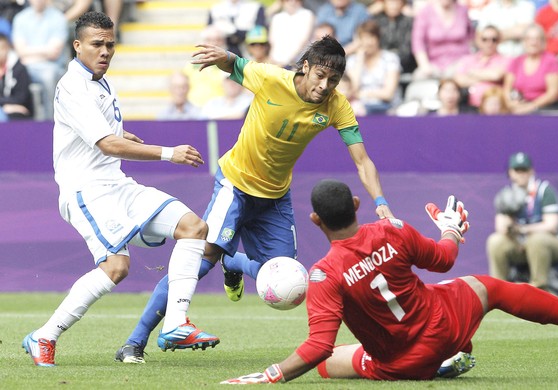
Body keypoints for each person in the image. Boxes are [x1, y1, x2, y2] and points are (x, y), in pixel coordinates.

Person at [114, 35, 395, 364]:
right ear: (305, 68)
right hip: (236, 186)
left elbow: (362, 160)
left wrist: (380, 202)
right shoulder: (272, 79)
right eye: (320, 76)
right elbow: (234, 64)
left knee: (289, 278)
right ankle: (134, 342)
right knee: (199, 261)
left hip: (275, 198)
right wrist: (222, 56)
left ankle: (233, 261)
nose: (325, 85)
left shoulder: (336, 106)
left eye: (333, 80)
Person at [219, 179, 558, 384]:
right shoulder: (392, 230)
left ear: (315, 221)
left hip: (399, 363)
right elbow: (444, 260)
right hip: (445, 324)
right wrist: (450, 230)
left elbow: (319, 346)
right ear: (356, 205)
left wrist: (272, 373)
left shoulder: (323, 274)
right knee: (491, 288)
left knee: (334, 360)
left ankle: (433, 364)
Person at [22, 12, 217, 367]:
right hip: (86, 190)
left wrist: (118, 132)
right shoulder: (73, 85)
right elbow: (107, 145)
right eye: (97, 44)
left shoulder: (101, 81)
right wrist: (167, 153)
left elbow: (102, 133)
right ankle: (45, 335)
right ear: (77, 45)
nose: (106, 51)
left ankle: (175, 324)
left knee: (194, 228)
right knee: (117, 267)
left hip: (116, 184)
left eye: (110, 44)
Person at [487, 152, 558, 293]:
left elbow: (552, 225)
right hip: (519, 242)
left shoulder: (544, 190)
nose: (521, 174)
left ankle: (539, 289)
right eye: (517, 170)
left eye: (524, 170)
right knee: (495, 241)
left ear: (531, 171)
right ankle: (498, 290)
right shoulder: (506, 194)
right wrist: (509, 217)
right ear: (510, 173)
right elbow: (500, 228)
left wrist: (522, 230)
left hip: (550, 242)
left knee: (536, 240)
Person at [12, 0, 68, 120]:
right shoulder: (20, 18)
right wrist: (44, 51)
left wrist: (28, 54)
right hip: (26, 66)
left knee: (48, 75)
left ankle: (52, 120)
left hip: (51, 66)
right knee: (14, 73)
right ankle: (22, 118)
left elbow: (54, 53)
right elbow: (20, 51)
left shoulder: (58, 18)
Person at [503, 23, 558, 114]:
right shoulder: (516, 61)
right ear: (524, 41)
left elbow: (553, 93)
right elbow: (507, 89)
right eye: (529, 39)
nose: (533, 43)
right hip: (519, 104)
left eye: (537, 39)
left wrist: (531, 106)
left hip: (544, 108)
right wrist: (511, 103)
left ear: (543, 42)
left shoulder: (551, 61)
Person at [345, 20, 402, 115]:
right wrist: (360, 60)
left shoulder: (390, 58)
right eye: (363, 38)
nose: (368, 42)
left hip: (387, 107)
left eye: (371, 37)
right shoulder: (353, 61)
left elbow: (388, 94)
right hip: (360, 109)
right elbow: (352, 91)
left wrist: (363, 94)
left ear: (378, 38)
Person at [453, 25, 510, 108]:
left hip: (494, 109)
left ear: (499, 41)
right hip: (469, 107)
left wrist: (471, 73)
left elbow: (496, 75)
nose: (489, 43)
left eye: (494, 39)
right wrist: (487, 80)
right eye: (485, 39)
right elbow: (459, 80)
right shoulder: (468, 59)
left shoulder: (506, 59)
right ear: (478, 40)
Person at [371, 0, 416, 74]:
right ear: (384, 3)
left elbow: (406, 50)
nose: (394, 6)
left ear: (402, 4)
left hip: (404, 66)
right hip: (378, 64)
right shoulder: (375, 21)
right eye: (391, 2)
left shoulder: (409, 21)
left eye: (397, 2)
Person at [268, 0, 315, 68]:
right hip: (274, 62)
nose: (292, 2)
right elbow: (272, 42)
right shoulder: (277, 17)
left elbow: (304, 41)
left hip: (295, 64)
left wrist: (286, 63)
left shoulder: (307, 15)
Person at [0, 32, 34, 120]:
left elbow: (21, 98)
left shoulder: (19, 69)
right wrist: (4, 107)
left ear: (7, 48)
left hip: (18, 112)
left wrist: (6, 106)